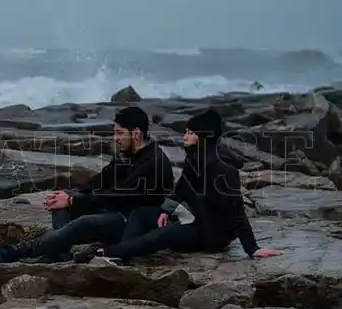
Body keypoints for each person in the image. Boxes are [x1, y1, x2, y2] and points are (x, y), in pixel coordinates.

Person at [74, 108, 282, 263]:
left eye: (190, 133)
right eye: (185, 131)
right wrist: (166, 210)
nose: (184, 136)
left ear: (203, 137)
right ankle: (122, 255)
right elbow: (181, 187)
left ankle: (108, 253)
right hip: (193, 217)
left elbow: (237, 209)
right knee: (141, 213)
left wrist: (252, 248)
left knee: (163, 235)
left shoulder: (223, 169)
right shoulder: (194, 158)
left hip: (210, 233)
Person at [0, 106, 175, 263]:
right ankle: (59, 252)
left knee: (83, 222)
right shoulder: (127, 154)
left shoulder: (153, 162)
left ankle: (13, 253)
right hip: (112, 208)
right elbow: (102, 180)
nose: (115, 138)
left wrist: (75, 200)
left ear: (137, 134)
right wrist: (71, 195)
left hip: (131, 221)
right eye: (114, 132)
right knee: (61, 198)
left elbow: (119, 196)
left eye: (120, 133)